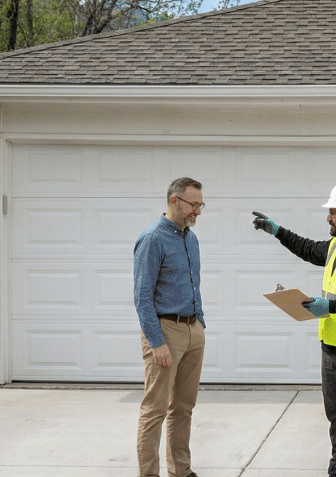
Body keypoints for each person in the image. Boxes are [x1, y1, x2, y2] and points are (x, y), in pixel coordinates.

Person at [253, 181, 336, 477]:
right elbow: (307, 248)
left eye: (333, 212)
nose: (328, 218)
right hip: (331, 347)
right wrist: (278, 232)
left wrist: (330, 308)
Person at [133, 177, 207, 477]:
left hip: (192, 331)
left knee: (183, 408)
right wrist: (156, 341)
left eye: (201, 205)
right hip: (165, 332)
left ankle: (181, 470)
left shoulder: (191, 238)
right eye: (193, 204)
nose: (197, 211)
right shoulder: (152, 239)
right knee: (155, 411)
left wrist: (199, 322)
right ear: (173, 201)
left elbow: (194, 284)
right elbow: (142, 296)